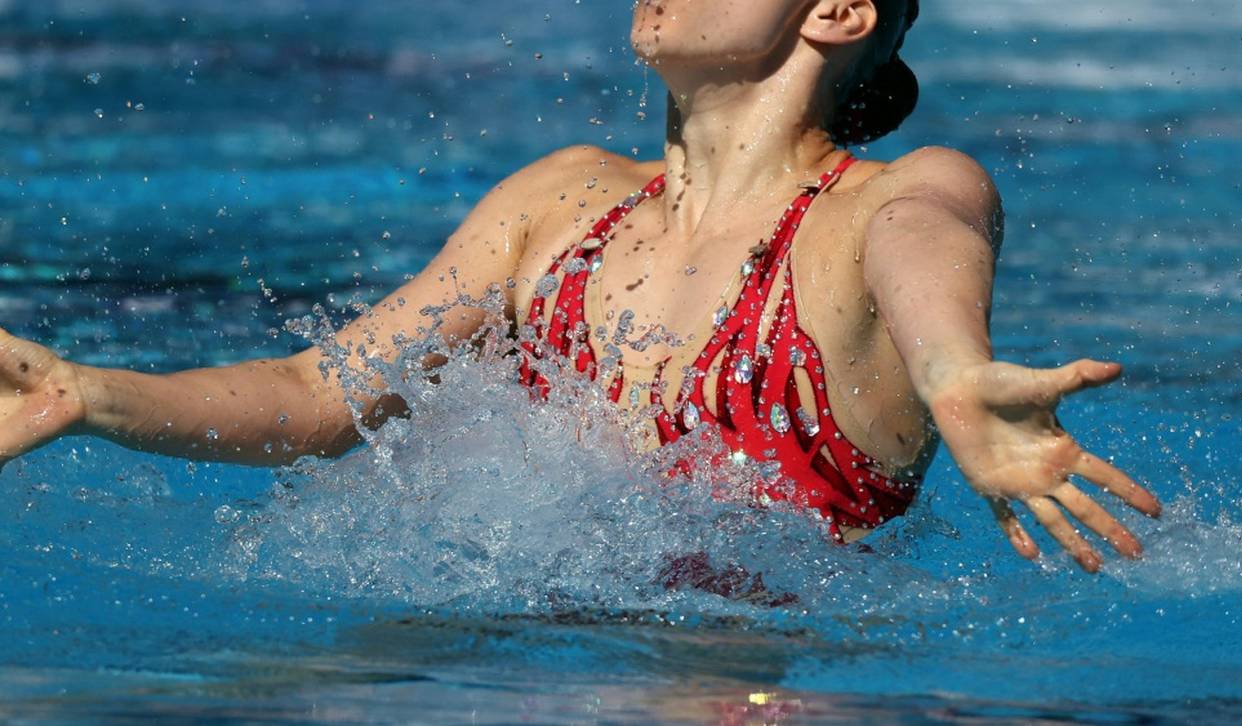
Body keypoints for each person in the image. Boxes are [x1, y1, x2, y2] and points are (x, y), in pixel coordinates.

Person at [0, 0, 1160, 572]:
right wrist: (95, 394)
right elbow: (319, 392)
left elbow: (929, 242)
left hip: (787, 679)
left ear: (838, 11)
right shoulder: (561, 203)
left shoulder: (883, 201)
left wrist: (956, 377)